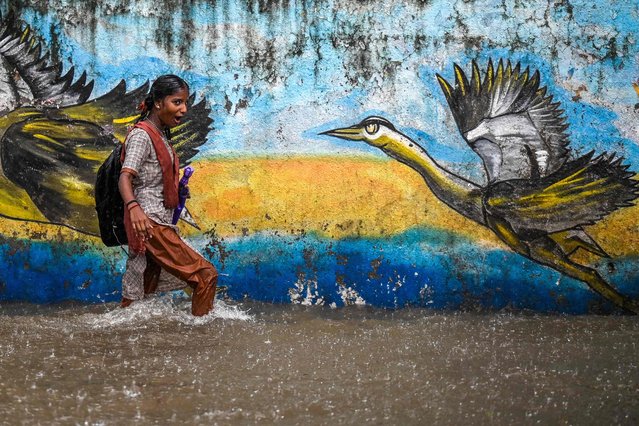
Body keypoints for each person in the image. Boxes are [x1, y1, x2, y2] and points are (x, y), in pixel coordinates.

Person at [118, 75, 218, 316]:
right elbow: (125, 177)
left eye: (184, 103)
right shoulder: (142, 135)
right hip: (150, 223)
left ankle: (119, 338)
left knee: (142, 291)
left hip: (157, 221)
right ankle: (201, 336)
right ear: (159, 103)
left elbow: (151, 177)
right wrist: (134, 208)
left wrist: (176, 188)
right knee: (205, 276)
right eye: (177, 102)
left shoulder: (161, 134)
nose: (183, 109)